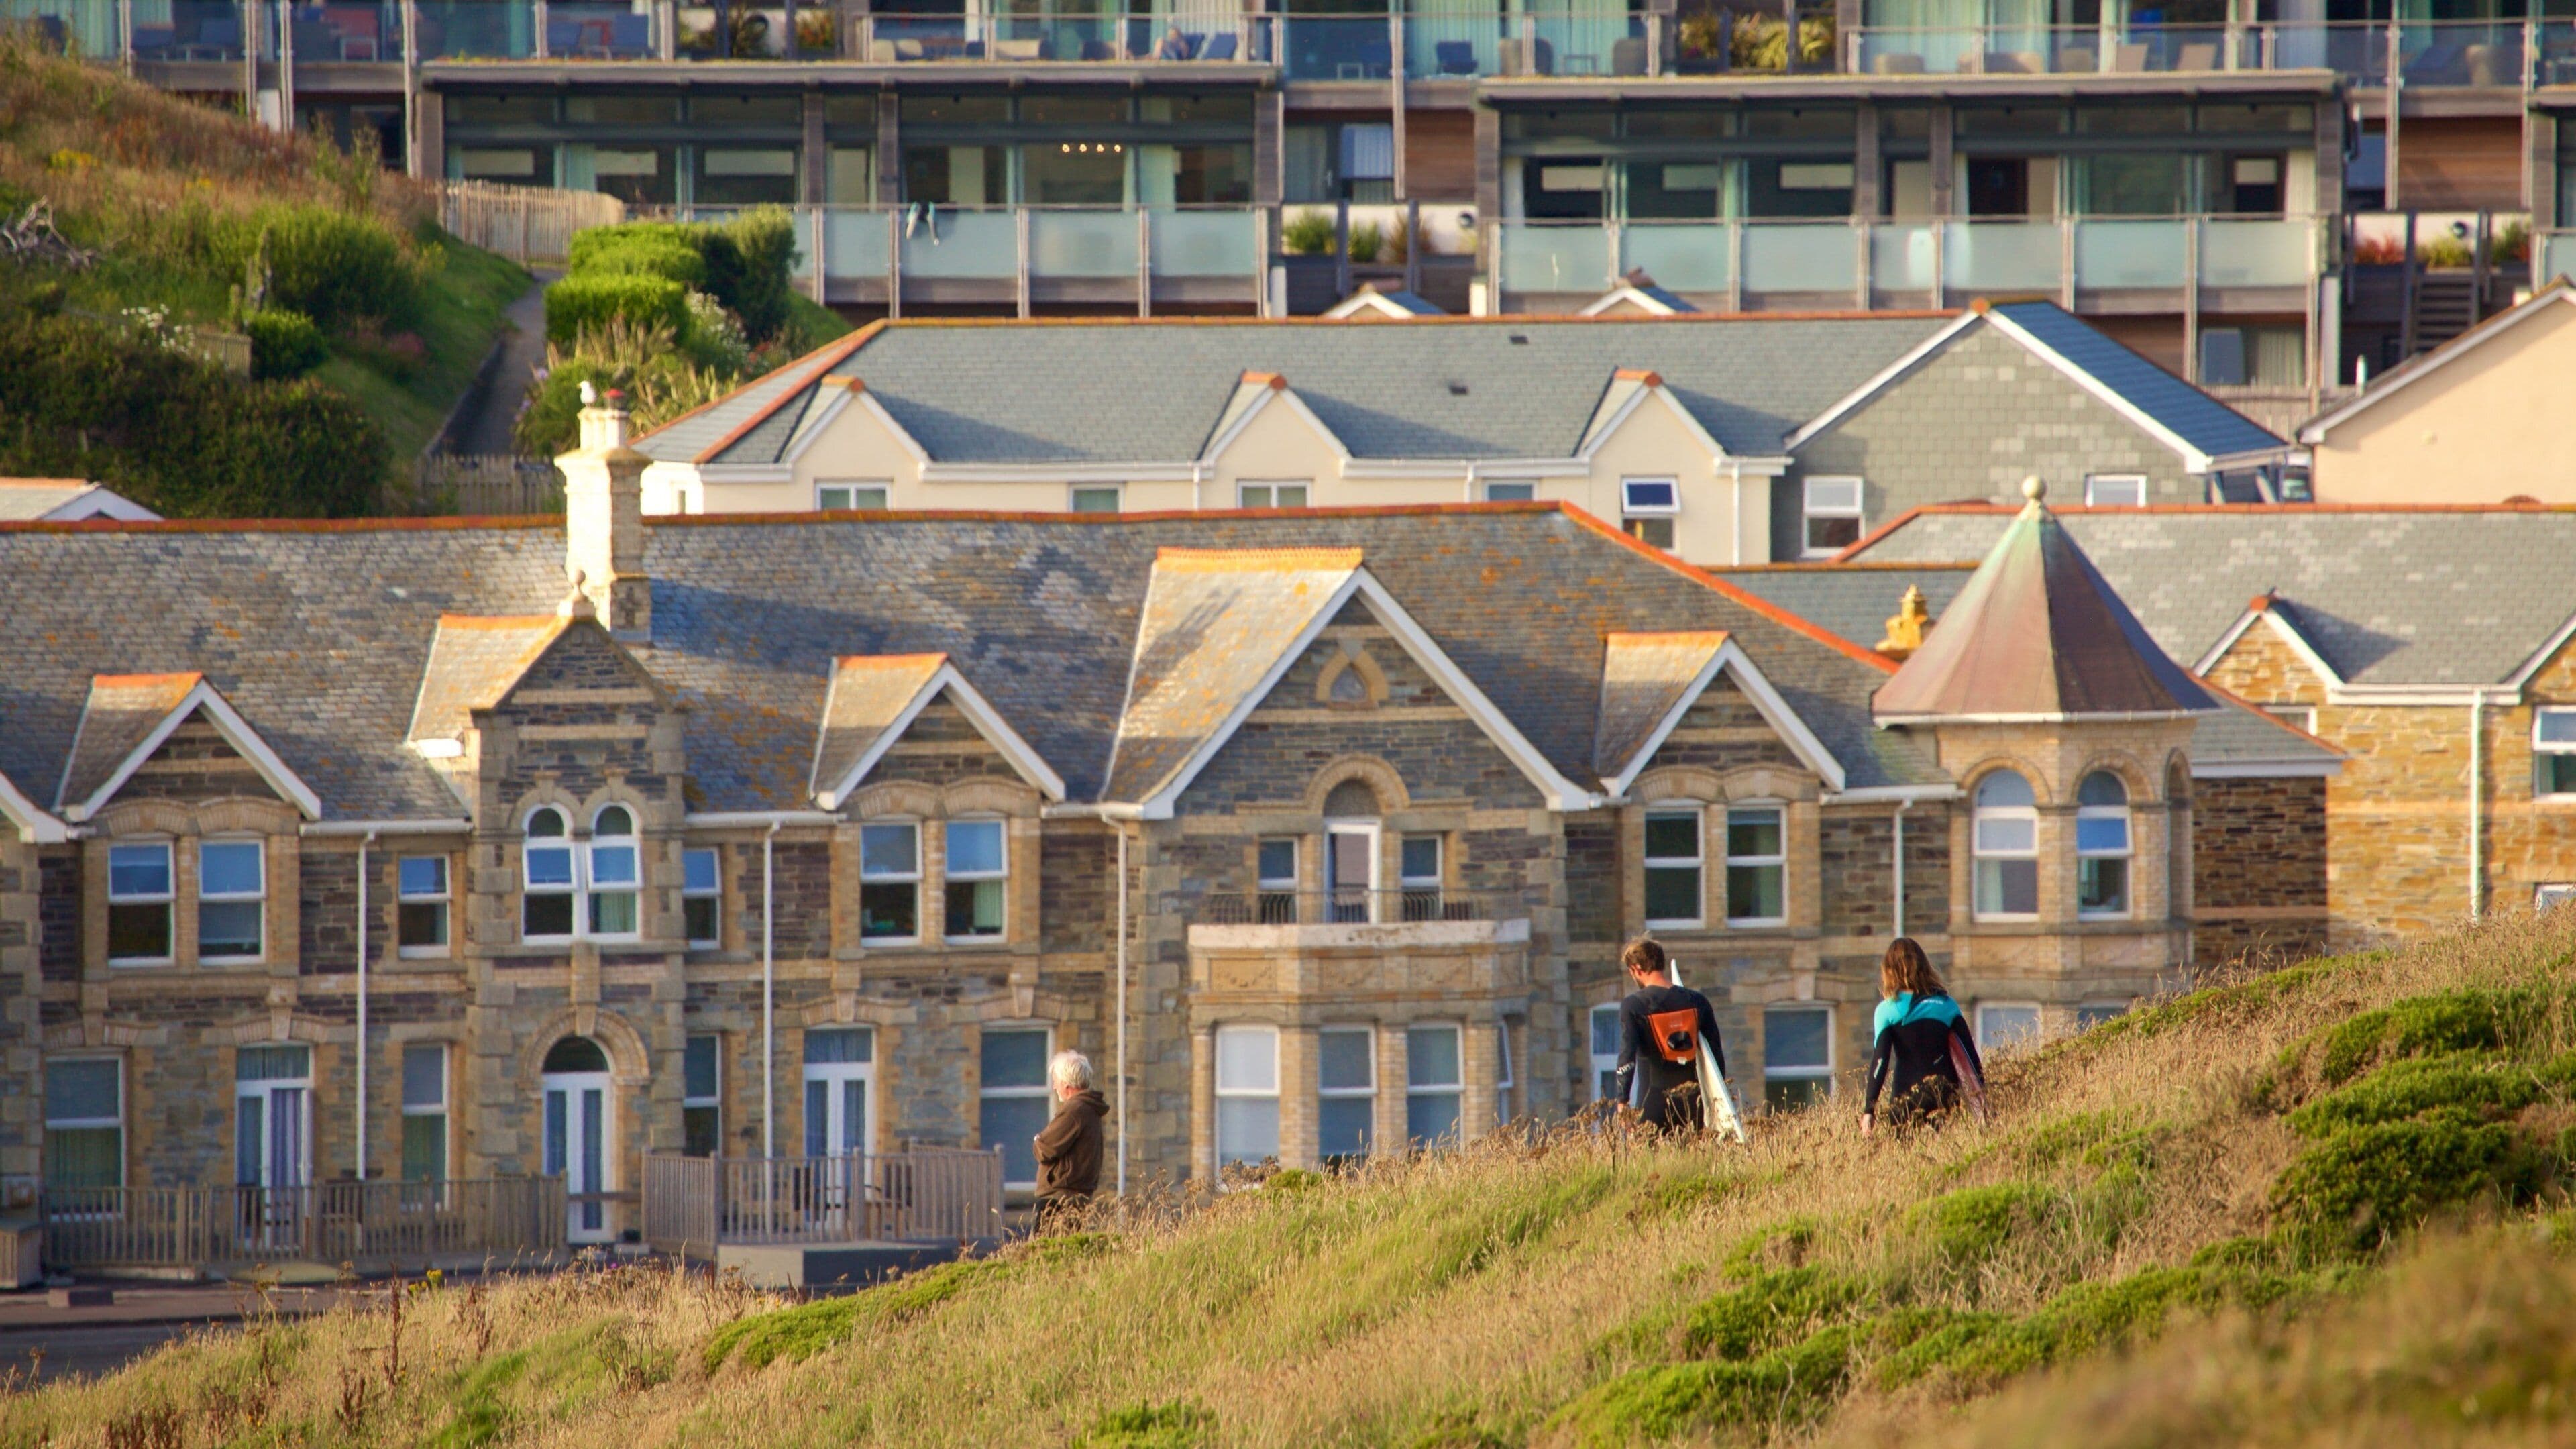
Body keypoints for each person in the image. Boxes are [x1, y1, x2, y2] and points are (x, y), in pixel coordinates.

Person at [1862, 938, 1985, 1136]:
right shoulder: (1947, 1004)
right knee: (1943, 1153)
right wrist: (1984, 1102)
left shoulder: (1888, 1010)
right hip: (1945, 1095)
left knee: (1906, 1160)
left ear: (1889, 971)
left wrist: (1869, 1109)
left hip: (1906, 1097)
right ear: (1924, 967)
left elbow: (1880, 1061)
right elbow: (1971, 1058)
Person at [1612, 936, 1726, 1132]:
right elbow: (1716, 1057)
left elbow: (1627, 1057)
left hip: (1652, 1102)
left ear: (1636, 969)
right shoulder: (1697, 1001)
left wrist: (1623, 1101)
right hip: (1694, 1104)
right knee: (1695, 1160)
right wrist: (1719, 1101)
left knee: (1648, 1160)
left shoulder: (1634, 1005)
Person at [1032, 1049, 1106, 1231]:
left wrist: (1038, 1140)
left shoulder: (1075, 1110)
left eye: (1056, 1082)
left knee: (1045, 1256)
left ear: (1067, 1084)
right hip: (1075, 1200)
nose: (1055, 1087)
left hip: (1059, 1202)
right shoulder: (1089, 1110)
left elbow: (1045, 1148)